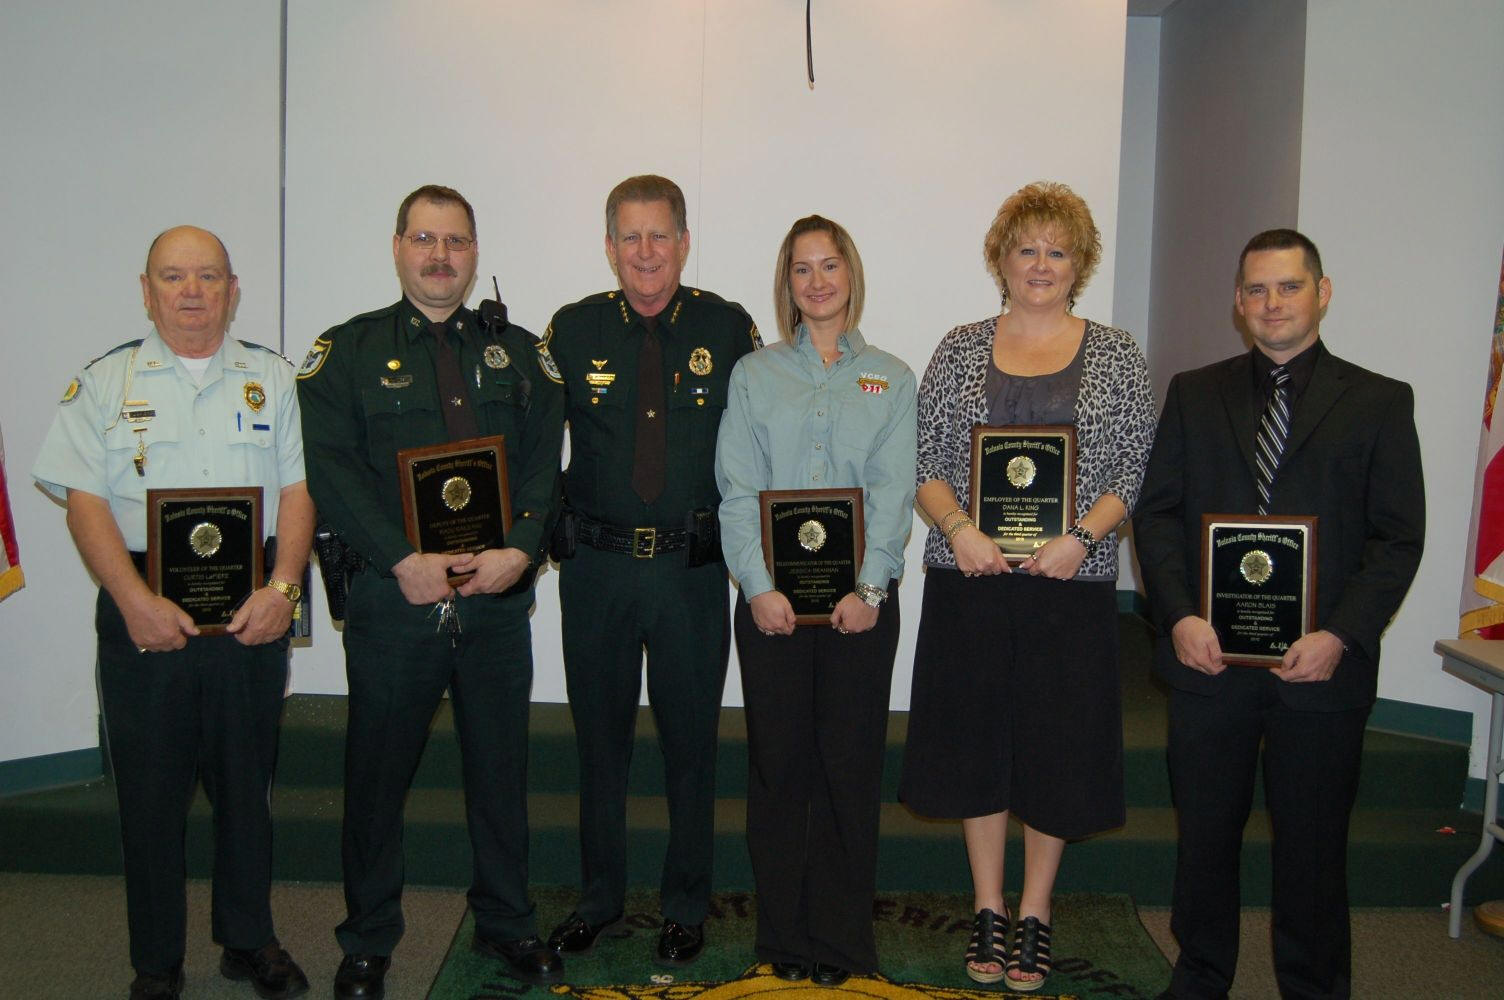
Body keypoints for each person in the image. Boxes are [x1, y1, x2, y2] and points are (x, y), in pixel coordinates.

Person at [1133, 229, 1424, 999]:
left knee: (1314, 848)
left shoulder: (1380, 402)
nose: (1272, 304)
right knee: (1204, 839)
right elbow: (1157, 516)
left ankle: (1315, 985)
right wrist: (1179, 617)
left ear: (1322, 293)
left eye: (1288, 287)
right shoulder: (1195, 392)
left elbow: (1398, 538)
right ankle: (1199, 976)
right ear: (1238, 302)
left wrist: (1342, 634)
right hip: (1209, 662)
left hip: (1321, 668)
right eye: (1256, 290)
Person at [296, 185, 565, 998]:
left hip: (493, 603)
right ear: (398, 247)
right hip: (393, 603)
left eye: (455, 241)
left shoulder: (522, 353)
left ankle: (507, 922)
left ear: (475, 253)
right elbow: (330, 468)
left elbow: (544, 468)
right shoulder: (345, 353)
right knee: (376, 779)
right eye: (424, 238)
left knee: (499, 773)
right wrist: (398, 558)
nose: (440, 255)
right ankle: (369, 940)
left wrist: (520, 550)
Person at [32, 226, 313, 1000]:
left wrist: (284, 591)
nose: (192, 291)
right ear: (147, 289)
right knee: (149, 800)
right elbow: (83, 502)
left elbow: (298, 492)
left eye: (208, 276)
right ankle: (156, 961)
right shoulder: (104, 383)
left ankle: (248, 941)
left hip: (249, 612)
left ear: (233, 288)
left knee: (246, 791)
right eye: (174, 277)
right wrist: (131, 602)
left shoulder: (276, 380)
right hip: (143, 611)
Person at [899, 182, 1155, 992]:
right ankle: (987, 904)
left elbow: (1132, 471)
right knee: (978, 741)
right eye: (1026, 249)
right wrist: (960, 529)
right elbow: (926, 462)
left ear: (1078, 263)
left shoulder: (1113, 353)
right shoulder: (958, 346)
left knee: (1054, 744)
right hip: (970, 580)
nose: (1040, 265)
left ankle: (1036, 910)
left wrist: (1081, 539)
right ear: (1000, 258)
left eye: (1057, 251)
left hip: (1068, 586)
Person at [542, 174, 761, 967]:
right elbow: (536, 452)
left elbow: (761, 443)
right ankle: (599, 898)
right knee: (599, 745)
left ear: (684, 241)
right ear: (609, 247)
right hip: (596, 570)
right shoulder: (569, 331)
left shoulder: (727, 328)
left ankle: (685, 903)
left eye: (659, 235)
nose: (645, 253)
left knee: (691, 746)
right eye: (629, 237)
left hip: (688, 573)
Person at [714, 215, 916, 986]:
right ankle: (783, 936)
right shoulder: (754, 374)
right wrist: (758, 589)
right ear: (787, 283)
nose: (818, 281)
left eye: (831, 265)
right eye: (802, 269)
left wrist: (871, 587)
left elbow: (895, 493)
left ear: (851, 274)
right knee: (777, 768)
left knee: (850, 767)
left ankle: (838, 940)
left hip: (862, 610)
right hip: (771, 611)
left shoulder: (893, 377)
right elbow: (737, 491)